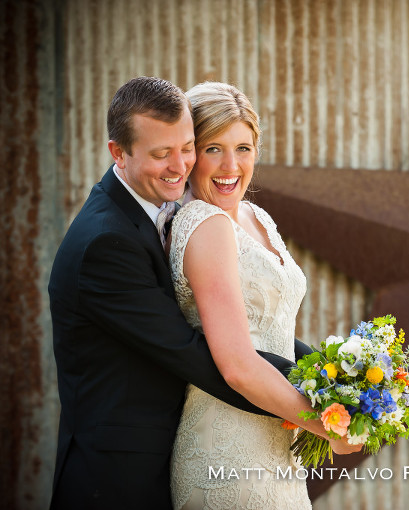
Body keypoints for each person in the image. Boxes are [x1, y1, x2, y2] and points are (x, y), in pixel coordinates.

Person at [48, 77, 321, 510]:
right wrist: (324, 412)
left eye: (188, 147)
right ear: (118, 153)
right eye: (162, 154)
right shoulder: (106, 241)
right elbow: (204, 353)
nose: (180, 166)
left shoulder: (165, 211)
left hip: (212, 448)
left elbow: (249, 327)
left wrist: (337, 374)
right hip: (119, 479)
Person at [168, 82, 360, 510]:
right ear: (189, 153)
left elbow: (272, 334)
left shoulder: (258, 218)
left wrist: (343, 390)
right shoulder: (204, 224)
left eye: (243, 148)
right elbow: (236, 365)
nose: (230, 165)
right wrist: (328, 426)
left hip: (277, 446)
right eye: (212, 148)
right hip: (227, 446)